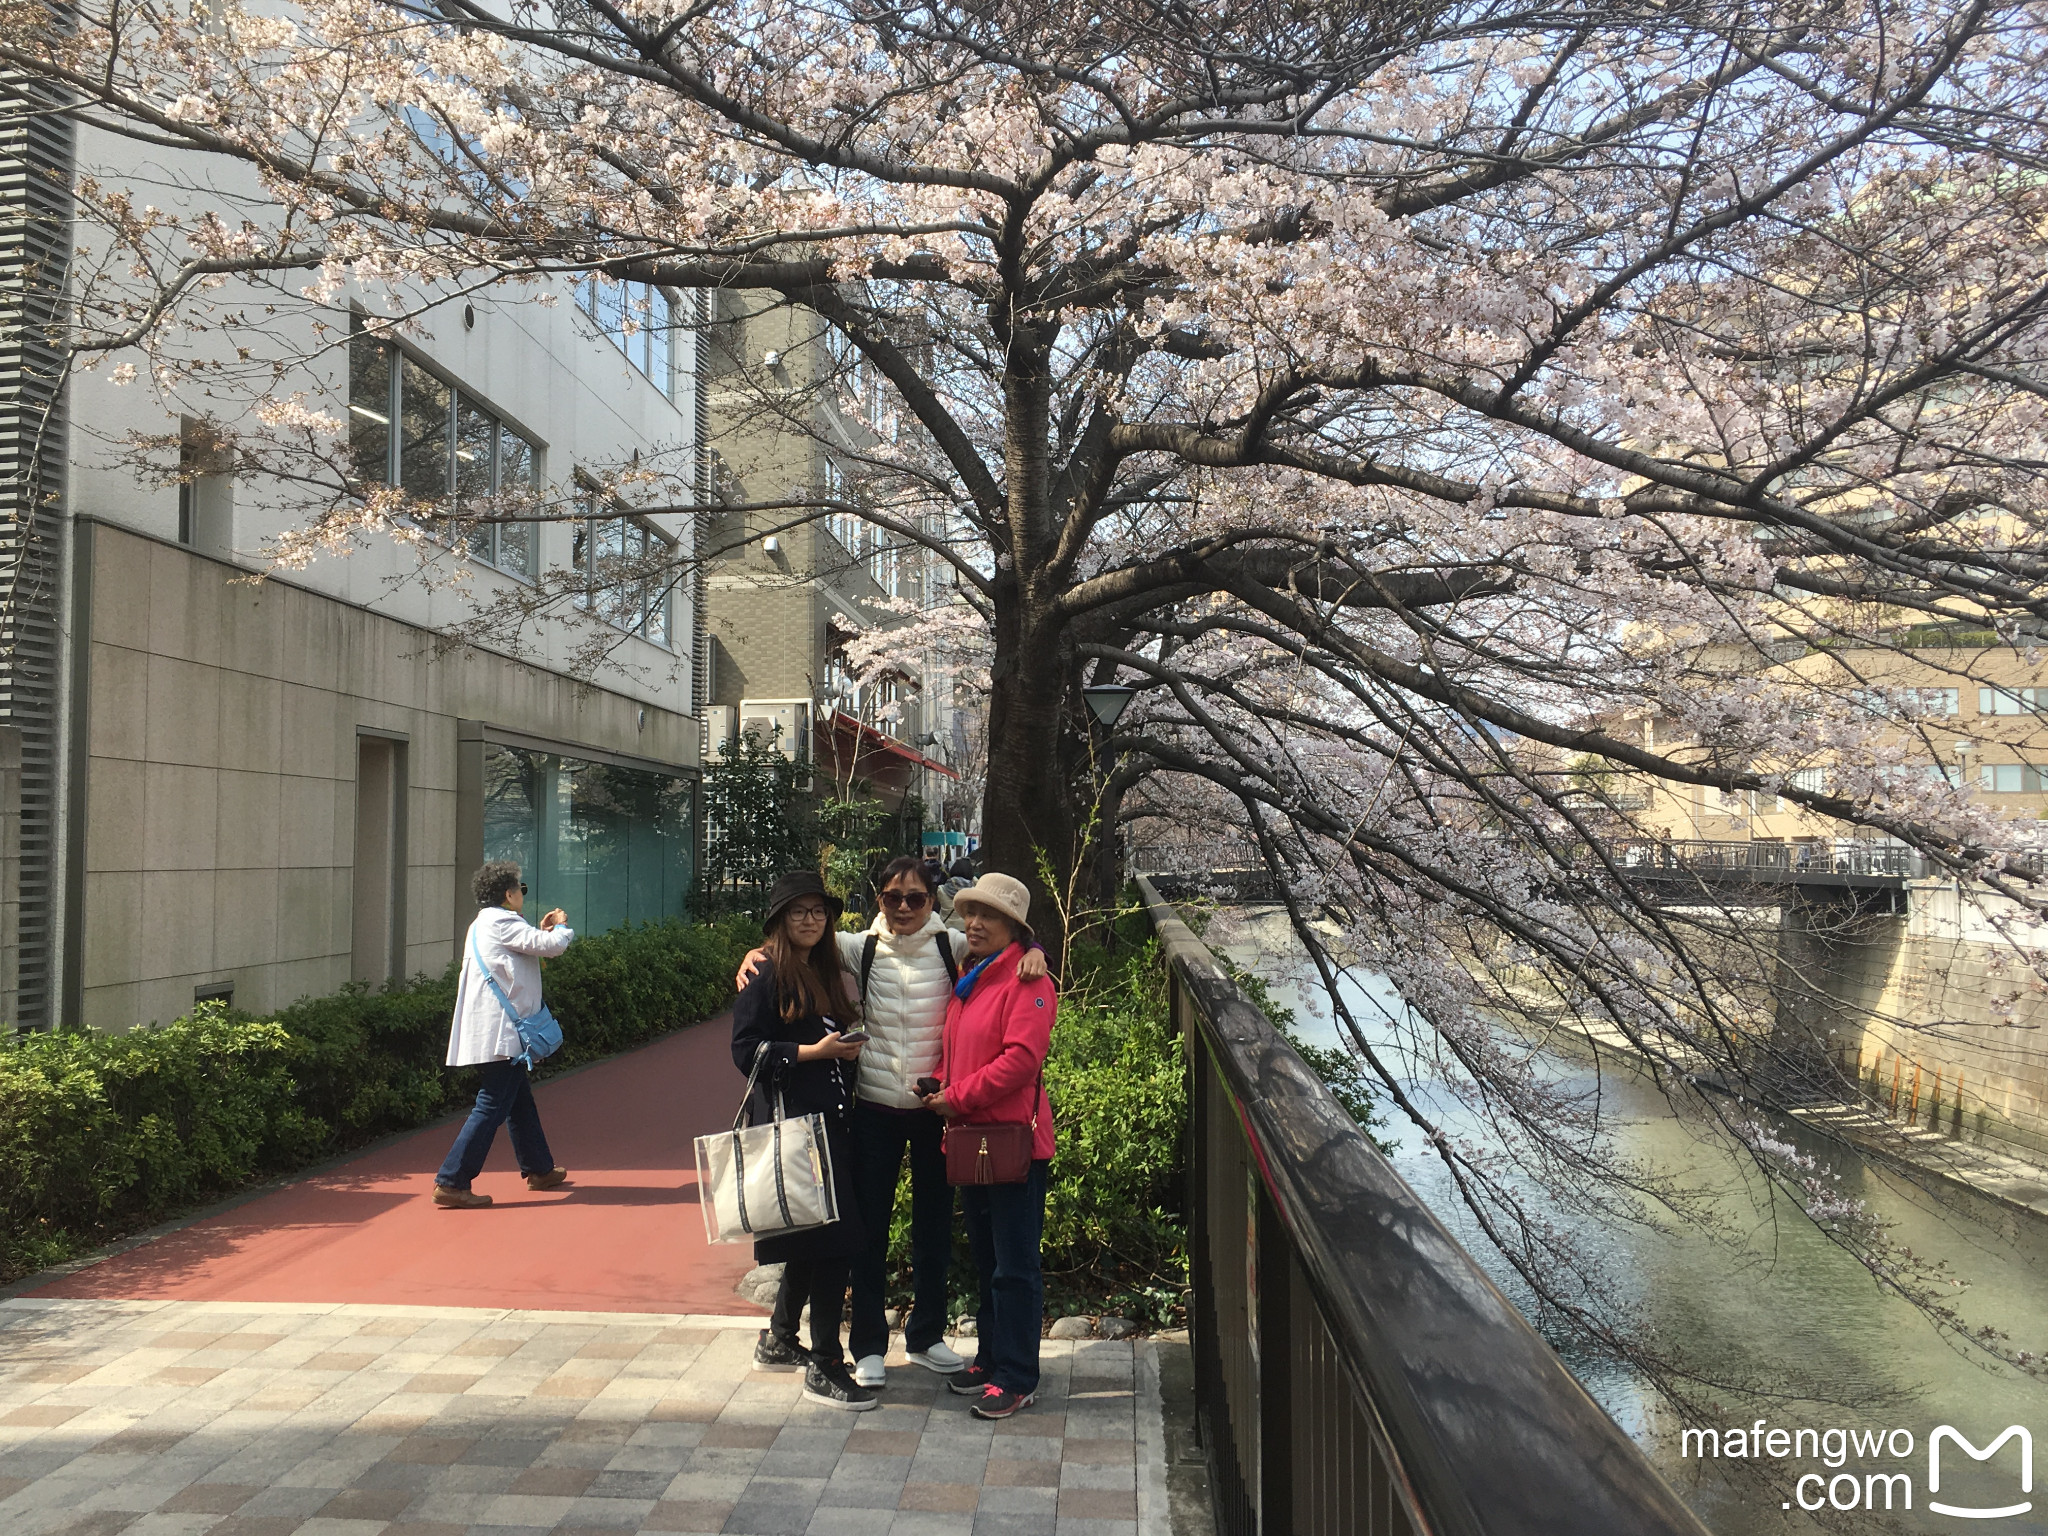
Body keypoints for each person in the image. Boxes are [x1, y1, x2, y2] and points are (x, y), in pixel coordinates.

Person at [735, 858, 1047, 1389]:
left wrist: (1038, 949)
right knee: (869, 1231)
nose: (903, 907)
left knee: (933, 1230)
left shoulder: (953, 944)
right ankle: (869, 1345)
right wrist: (755, 954)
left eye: (916, 898)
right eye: (891, 897)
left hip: (938, 1113)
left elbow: (1008, 944)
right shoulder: (862, 947)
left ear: (933, 902)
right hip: (875, 1109)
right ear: (877, 900)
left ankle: (926, 1336)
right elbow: (801, 944)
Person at [730, 870, 875, 1411]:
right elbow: (746, 1052)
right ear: (779, 920)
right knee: (838, 1241)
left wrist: (847, 1050)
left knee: (817, 1239)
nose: (811, 920)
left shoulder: (826, 968)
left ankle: (781, 1336)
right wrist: (817, 1053)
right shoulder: (765, 973)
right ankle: (826, 1362)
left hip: (834, 1125)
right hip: (797, 1130)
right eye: (799, 912)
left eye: (818, 912)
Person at [923, 871, 1056, 1420]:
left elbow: (1021, 1063)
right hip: (973, 1139)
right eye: (969, 913)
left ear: (1013, 929)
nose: (974, 923)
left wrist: (957, 1097)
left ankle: (1018, 1374)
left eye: (989, 917)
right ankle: (991, 1355)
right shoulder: (971, 976)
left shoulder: (1030, 983)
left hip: (1011, 1144)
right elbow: (957, 1050)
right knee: (987, 1258)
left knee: (1015, 1264)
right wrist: (937, 1082)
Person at [433, 861, 573, 1209]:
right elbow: (552, 947)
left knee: (519, 1101)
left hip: (492, 1032)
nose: (521, 895)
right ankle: (452, 1179)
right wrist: (562, 927)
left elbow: (531, 947)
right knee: (493, 1103)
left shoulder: (484, 923)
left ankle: (539, 1169)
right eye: (520, 889)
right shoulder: (504, 921)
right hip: (503, 1035)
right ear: (508, 894)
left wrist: (542, 933)